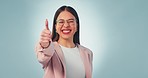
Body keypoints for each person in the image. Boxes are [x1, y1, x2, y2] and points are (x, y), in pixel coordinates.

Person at [35, 5, 93, 78]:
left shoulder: (87, 53)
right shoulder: (51, 50)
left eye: (71, 21)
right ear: (55, 26)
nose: (66, 25)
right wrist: (45, 45)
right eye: (61, 22)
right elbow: (43, 56)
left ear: (77, 26)